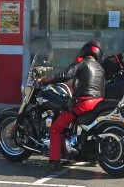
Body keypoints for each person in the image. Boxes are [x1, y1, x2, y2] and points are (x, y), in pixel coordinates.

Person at [37, 40, 105, 171]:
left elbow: (66, 75)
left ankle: (54, 161)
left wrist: (46, 81)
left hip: (83, 103)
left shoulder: (82, 62)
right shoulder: (100, 67)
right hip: (97, 103)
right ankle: (90, 156)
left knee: (56, 128)